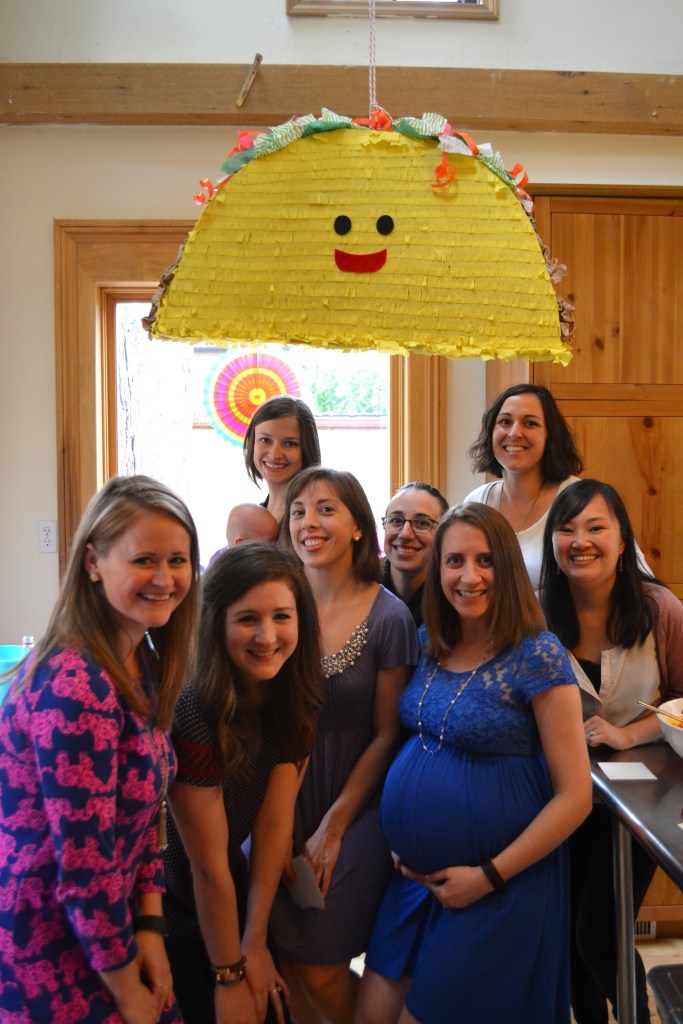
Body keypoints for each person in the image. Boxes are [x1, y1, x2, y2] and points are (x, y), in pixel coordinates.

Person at [357, 502, 592, 1024]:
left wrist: (487, 875)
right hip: (412, 881)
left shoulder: (539, 655)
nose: (469, 576)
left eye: (485, 561)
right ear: (437, 569)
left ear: (506, 568)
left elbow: (575, 797)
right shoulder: (427, 644)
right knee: (371, 1015)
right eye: (454, 561)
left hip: (497, 888)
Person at [0, 474, 201, 1024]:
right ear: (93, 562)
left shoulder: (142, 661)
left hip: (112, 926)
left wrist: (150, 927)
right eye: (144, 561)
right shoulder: (76, 686)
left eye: (178, 560)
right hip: (53, 941)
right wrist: (127, 989)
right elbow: (86, 866)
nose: (165, 578)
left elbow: (142, 822)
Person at [270, 467, 419, 1024]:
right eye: (300, 510)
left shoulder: (390, 617)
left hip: (357, 803)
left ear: (359, 526)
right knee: (278, 957)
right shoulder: (277, 603)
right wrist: (274, 815)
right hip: (275, 796)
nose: (310, 522)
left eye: (326, 508)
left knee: (320, 962)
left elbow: (387, 734)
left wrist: (334, 825)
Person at [539, 478, 683, 1024]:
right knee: (563, 936)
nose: (581, 540)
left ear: (623, 540)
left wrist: (629, 733)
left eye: (597, 527)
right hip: (558, 794)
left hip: (642, 798)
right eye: (567, 528)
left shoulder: (659, 608)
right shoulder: (535, 614)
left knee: (598, 931)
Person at [163, 542, 324, 1024]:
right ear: (217, 623)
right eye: (248, 619)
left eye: (281, 616)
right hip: (174, 901)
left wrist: (254, 944)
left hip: (230, 890)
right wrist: (229, 974)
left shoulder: (296, 692)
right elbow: (203, 867)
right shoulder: (193, 708)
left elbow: (275, 823)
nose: (267, 636)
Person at [464, 383, 584, 589]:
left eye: (530, 423)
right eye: (505, 421)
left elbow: (640, 581)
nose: (514, 432)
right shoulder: (476, 503)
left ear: (550, 435)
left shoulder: (578, 499)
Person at [380, 482, 449, 627]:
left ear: (444, 535)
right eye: (396, 520)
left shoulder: (453, 594)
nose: (405, 534)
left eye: (422, 523)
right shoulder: (359, 585)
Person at [243, 396, 322, 523]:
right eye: (265, 440)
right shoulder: (253, 517)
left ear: (307, 448)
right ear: (252, 444)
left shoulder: (314, 517)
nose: (275, 455)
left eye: (289, 443)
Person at [208, 503, 279, 568]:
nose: (276, 547)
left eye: (275, 541)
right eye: (269, 543)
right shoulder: (219, 565)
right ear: (241, 544)